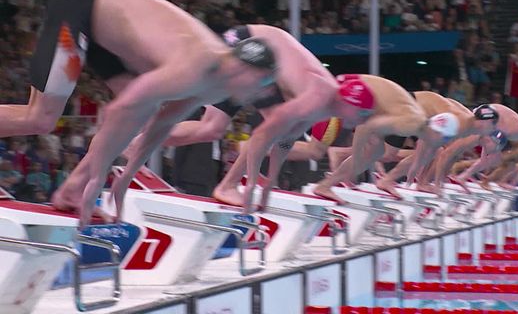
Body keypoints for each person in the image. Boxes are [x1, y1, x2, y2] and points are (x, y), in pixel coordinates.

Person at [0, 0, 277, 226]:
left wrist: (126, 177)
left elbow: (162, 123)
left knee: (146, 109)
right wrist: (97, 179)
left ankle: (72, 189)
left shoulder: (218, 85)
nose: (259, 95)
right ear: (245, 72)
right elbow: (119, 109)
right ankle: (77, 186)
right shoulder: (198, 67)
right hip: (78, 9)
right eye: (262, 84)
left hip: (103, 30)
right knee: (41, 118)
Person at [121, 25, 374, 212]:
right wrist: (255, 185)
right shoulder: (317, 98)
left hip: (255, 52)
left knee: (211, 129)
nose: (360, 123)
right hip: (250, 49)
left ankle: (136, 143)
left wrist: (269, 182)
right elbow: (263, 135)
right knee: (223, 126)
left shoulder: (326, 100)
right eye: (361, 115)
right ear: (347, 105)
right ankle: (227, 185)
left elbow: (284, 142)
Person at [313, 75, 460, 203]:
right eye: (446, 138)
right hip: (351, 93)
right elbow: (366, 126)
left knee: (374, 153)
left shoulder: (424, 128)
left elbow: (425, 153)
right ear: (437, 132)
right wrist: (357, 154)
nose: (446, 143)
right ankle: (325, 184)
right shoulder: (410, 123)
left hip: (367, 96)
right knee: (316, 151)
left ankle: (329, 183)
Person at [375, 95, 500, 195]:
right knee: (390, 154)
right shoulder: (467, 131)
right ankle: (386, 179)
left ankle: (414, 181)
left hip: (419, 111)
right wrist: (437, 183)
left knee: (390, 153)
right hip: (411, 109)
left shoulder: (474, 129)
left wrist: (437, 181)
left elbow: (451, 155)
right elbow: (444, 154)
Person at [444, 105, 518, 186]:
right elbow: (492, 135)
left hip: (489, 120)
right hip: (483, 117)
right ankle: (460, 175)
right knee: (461, 147)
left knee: (494, 157)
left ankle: (464, 175)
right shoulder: (517, 130)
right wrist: (485, 157)